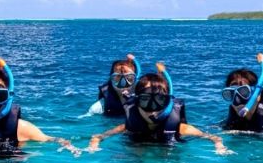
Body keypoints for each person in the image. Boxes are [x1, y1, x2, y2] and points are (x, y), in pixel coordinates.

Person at [86, 62, 232, 155]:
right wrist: (93, 147)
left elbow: (214, 137)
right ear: (136, 103)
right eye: (145, 101)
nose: (152, 109)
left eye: (159, 101)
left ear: (168, 103)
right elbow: (98, 136)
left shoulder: (181, 129)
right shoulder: (128, 126)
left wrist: (219, 147)